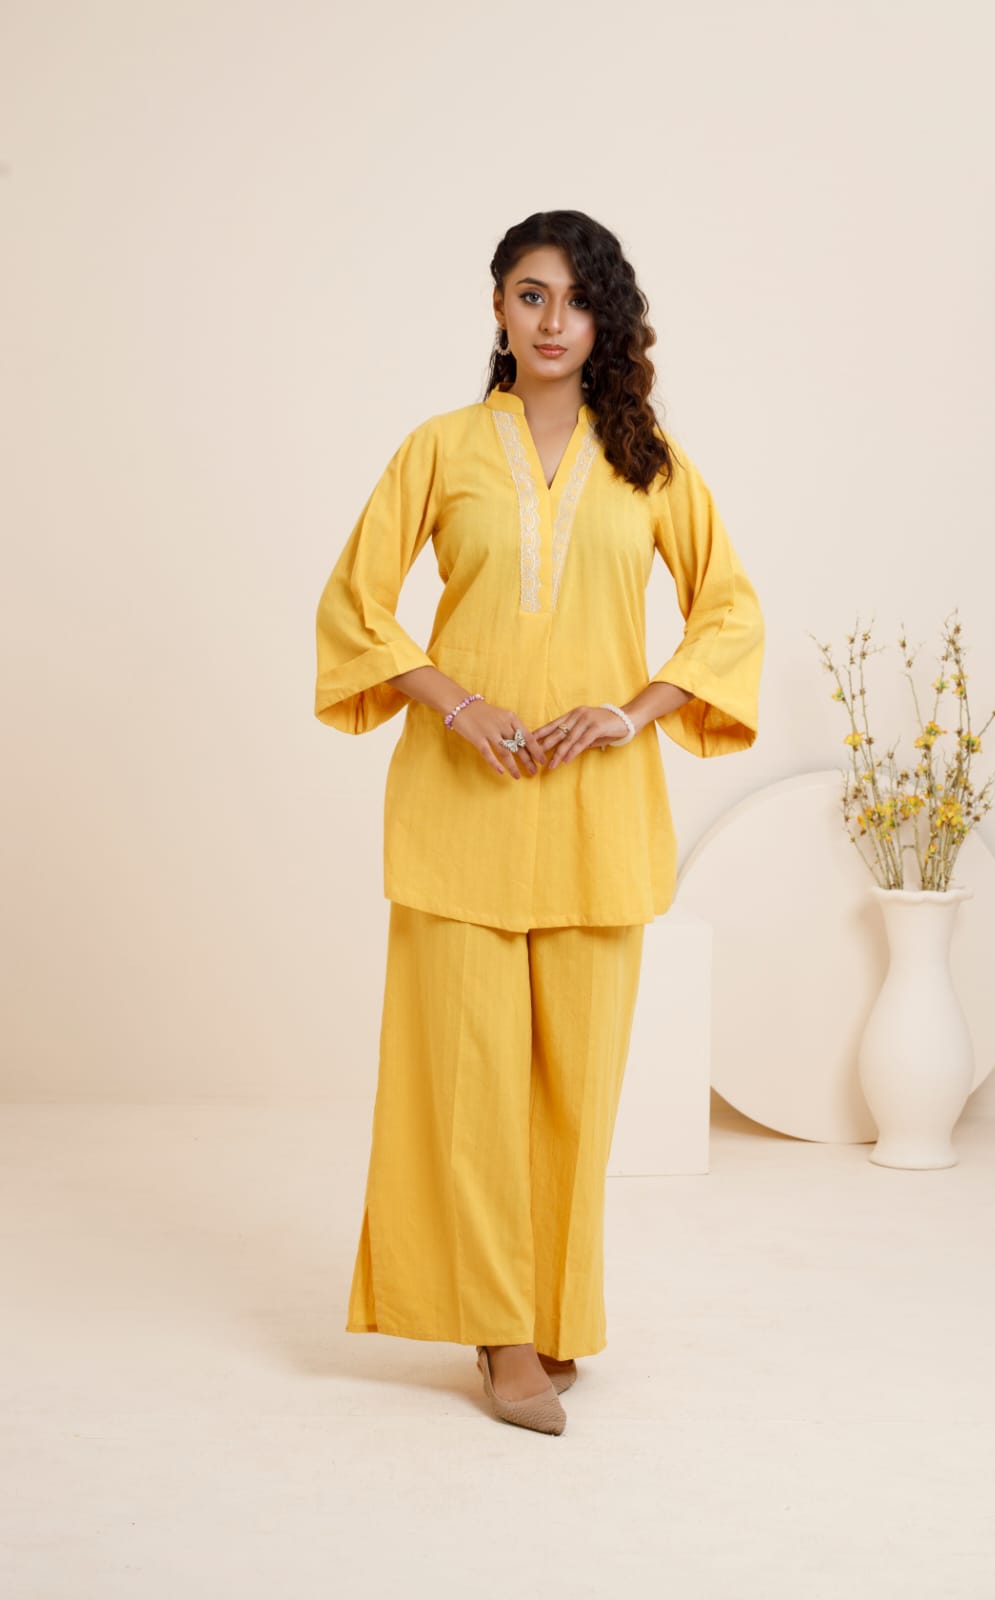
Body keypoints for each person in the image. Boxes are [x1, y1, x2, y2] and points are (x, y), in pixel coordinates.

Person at [314, 209, 765, 1435]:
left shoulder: (649, 462)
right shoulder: (442, 448)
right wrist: (455, 704)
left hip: (593, 819)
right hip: (461, 809)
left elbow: (727, 611)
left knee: (577, 1088)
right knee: (469, 1085)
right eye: (529, 294)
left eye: (575, 297)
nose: (552, 319)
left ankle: (554, 1308)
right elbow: (356, 606)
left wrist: (632, 710)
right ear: (498, 309)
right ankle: (501, 1333)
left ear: (605, 316)